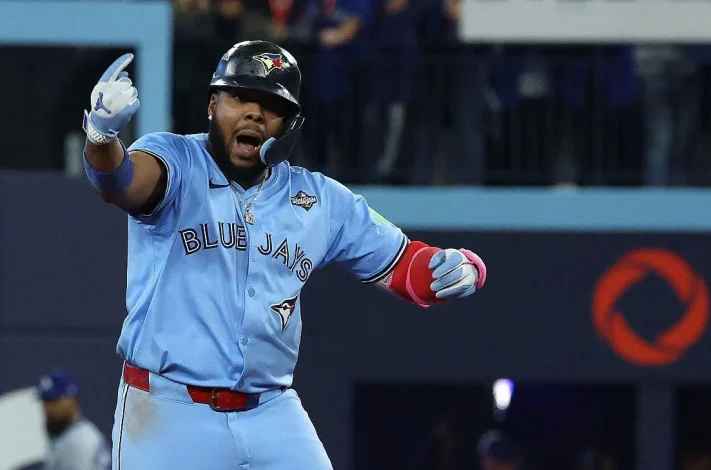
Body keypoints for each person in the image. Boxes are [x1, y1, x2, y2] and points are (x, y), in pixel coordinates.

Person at [80, 40, 487, 469]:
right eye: (240, 97)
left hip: (270, 410)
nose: (254, 113)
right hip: (168, 408)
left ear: (290, 124)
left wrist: (460, 268)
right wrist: (101, 136)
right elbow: (120, 181)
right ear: (212, 105)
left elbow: (406, 266)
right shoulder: (176, 159)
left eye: (271, 105)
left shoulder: (318, 199)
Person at [37, 369, 111, 470]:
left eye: (54, 401)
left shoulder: (78, 442)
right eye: (46, 402)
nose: (49, 408)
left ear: (71, 399)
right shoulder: (70, 434)